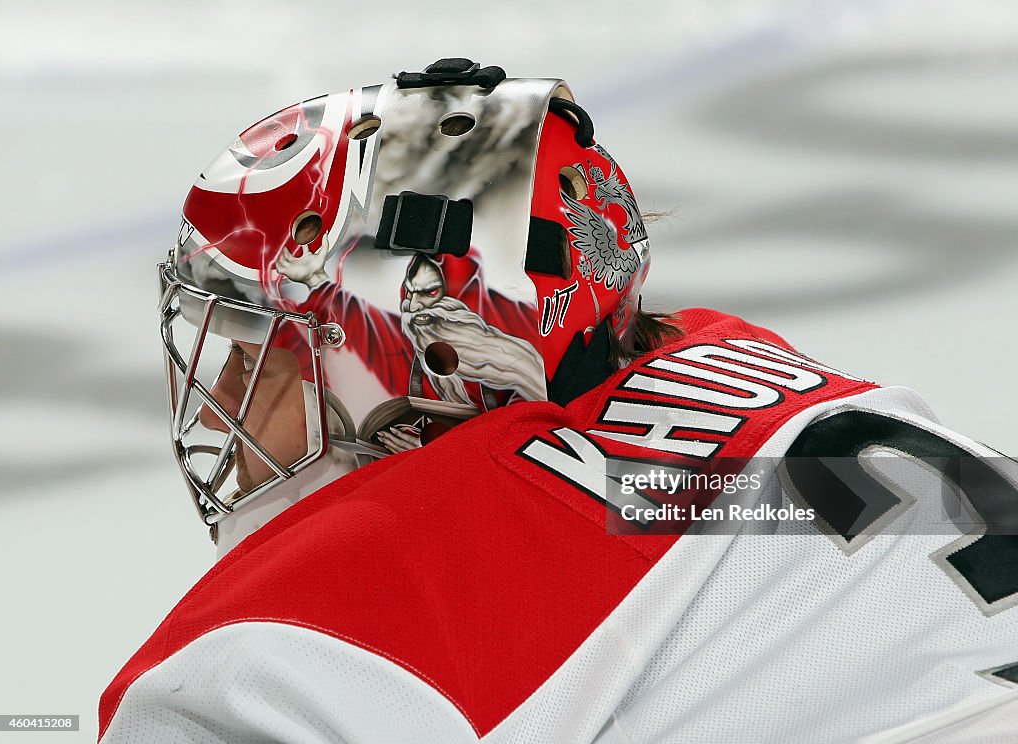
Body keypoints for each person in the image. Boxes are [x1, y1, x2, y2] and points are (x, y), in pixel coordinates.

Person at [100, 59, 1018, 743]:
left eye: (264, 359)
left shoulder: (322, 623)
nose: (223, 397)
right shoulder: (753, 371)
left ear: (424, 361)